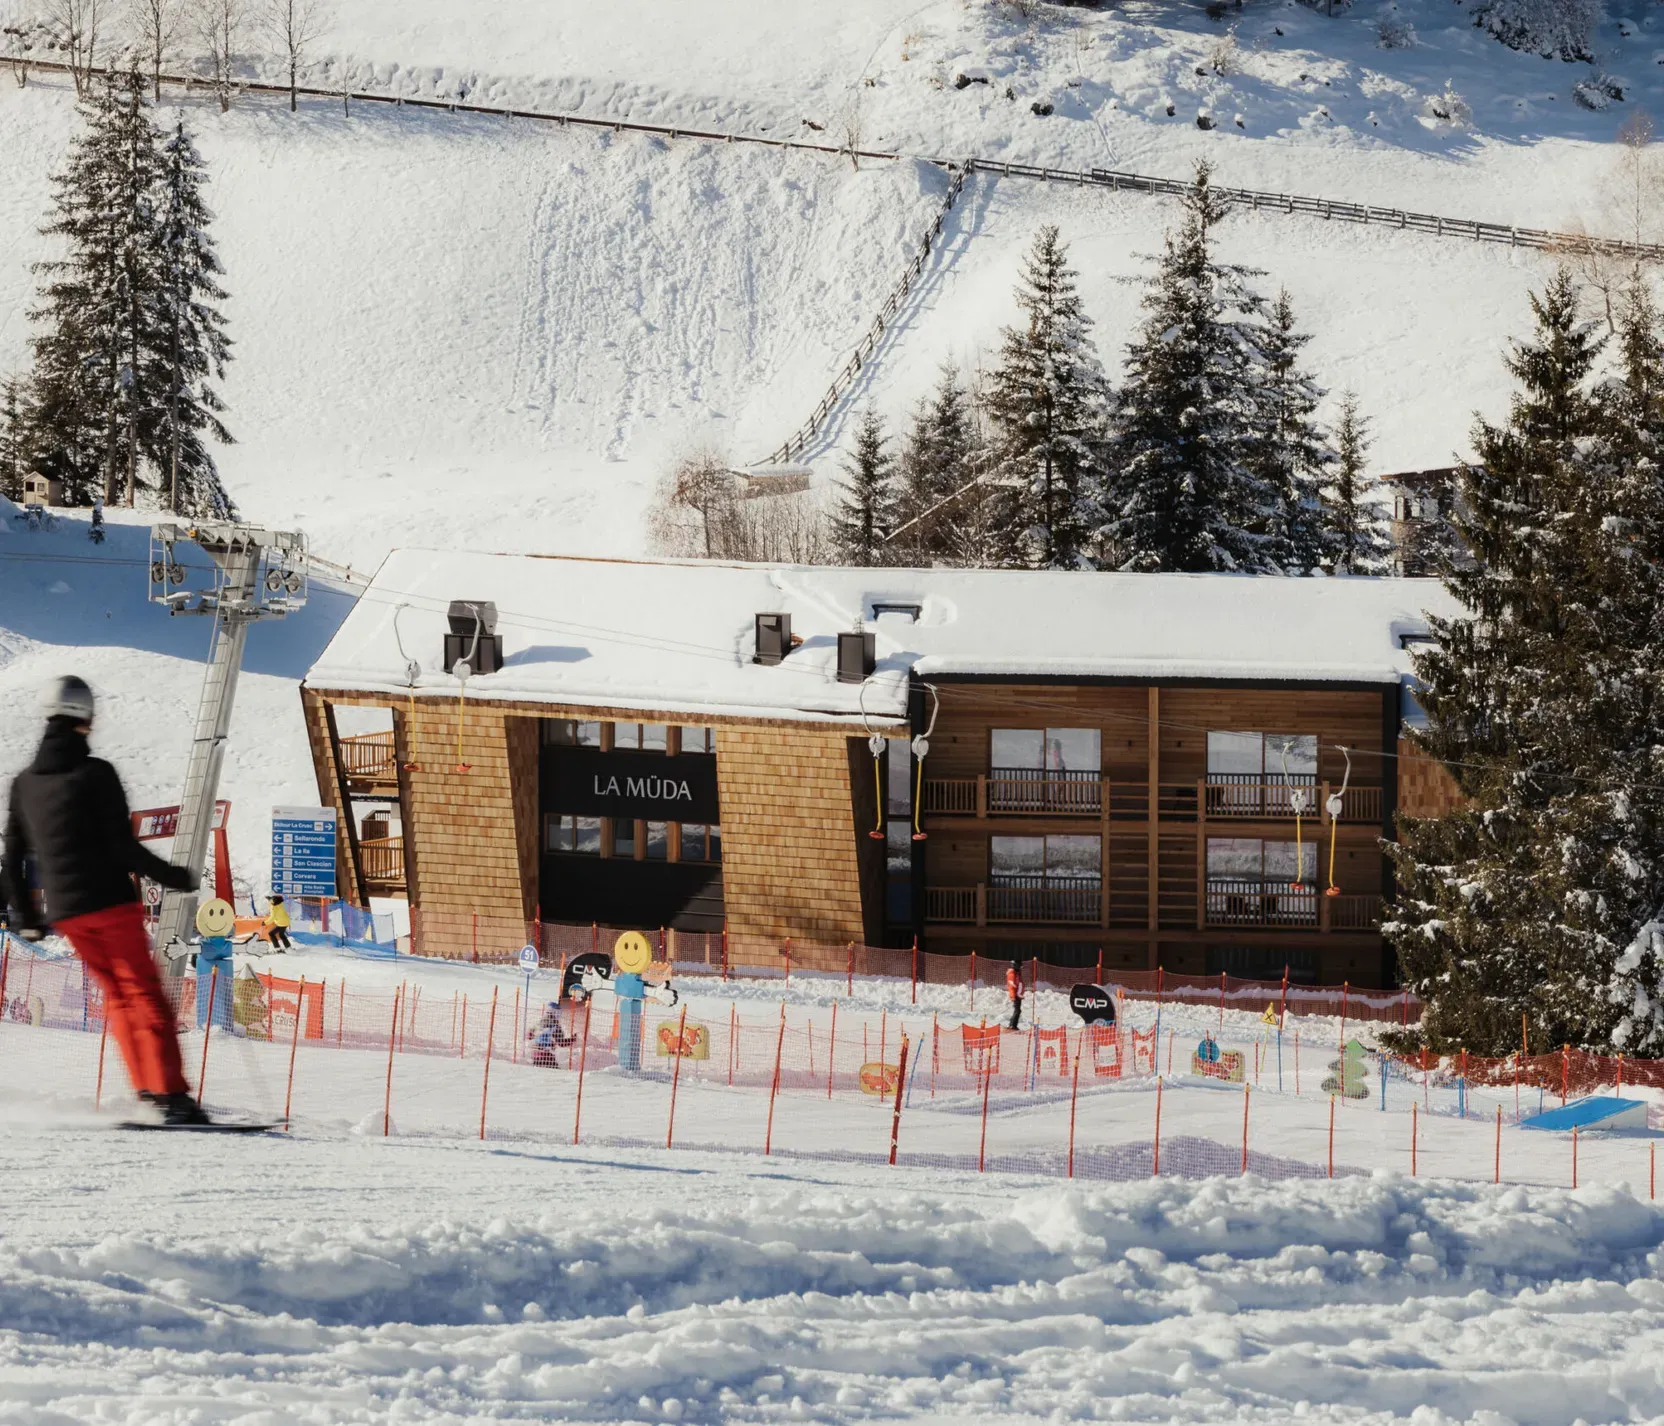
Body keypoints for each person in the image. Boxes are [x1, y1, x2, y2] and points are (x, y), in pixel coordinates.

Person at [1, 676, 208, 1125]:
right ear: (87, 719)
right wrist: (174, 876)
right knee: (144, 994)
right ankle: (170, 1095)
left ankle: (148, 1089)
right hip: (110, 903)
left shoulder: (24, 784)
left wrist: (27, 916)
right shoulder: (96, 774)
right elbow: (122, 847)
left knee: (118, 997)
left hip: (68, 914)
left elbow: (12, 856)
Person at [1006, 959, 1024, 1031]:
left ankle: (1012, 1024)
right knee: (1017, 1010)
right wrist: (1013, 996)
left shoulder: (1017, 973)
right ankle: (1012, 1025)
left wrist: (1020, 993)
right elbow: (1011, 986)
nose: (1021, 968)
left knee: (1018, 1010)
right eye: (1020, 966)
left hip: (1018, 995)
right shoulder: (1012, 974)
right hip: (1015, 995)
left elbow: (1020, 983)